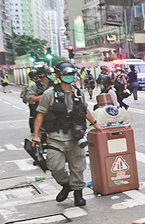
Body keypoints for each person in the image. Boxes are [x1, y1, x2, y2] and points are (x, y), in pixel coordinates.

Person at [32, 61, 102, 207]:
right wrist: (35, 135)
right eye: (66, 74)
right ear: (58, 76)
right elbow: (40, 114)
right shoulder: (49, 94)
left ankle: (78, 194)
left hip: (75, 137)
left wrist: (95, 123)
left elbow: (84, 110)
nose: (69, 77)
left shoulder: (78, 93)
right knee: (54, 166)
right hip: (56, 137)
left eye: (71, 74)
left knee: (78, 167)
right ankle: (66, 185)